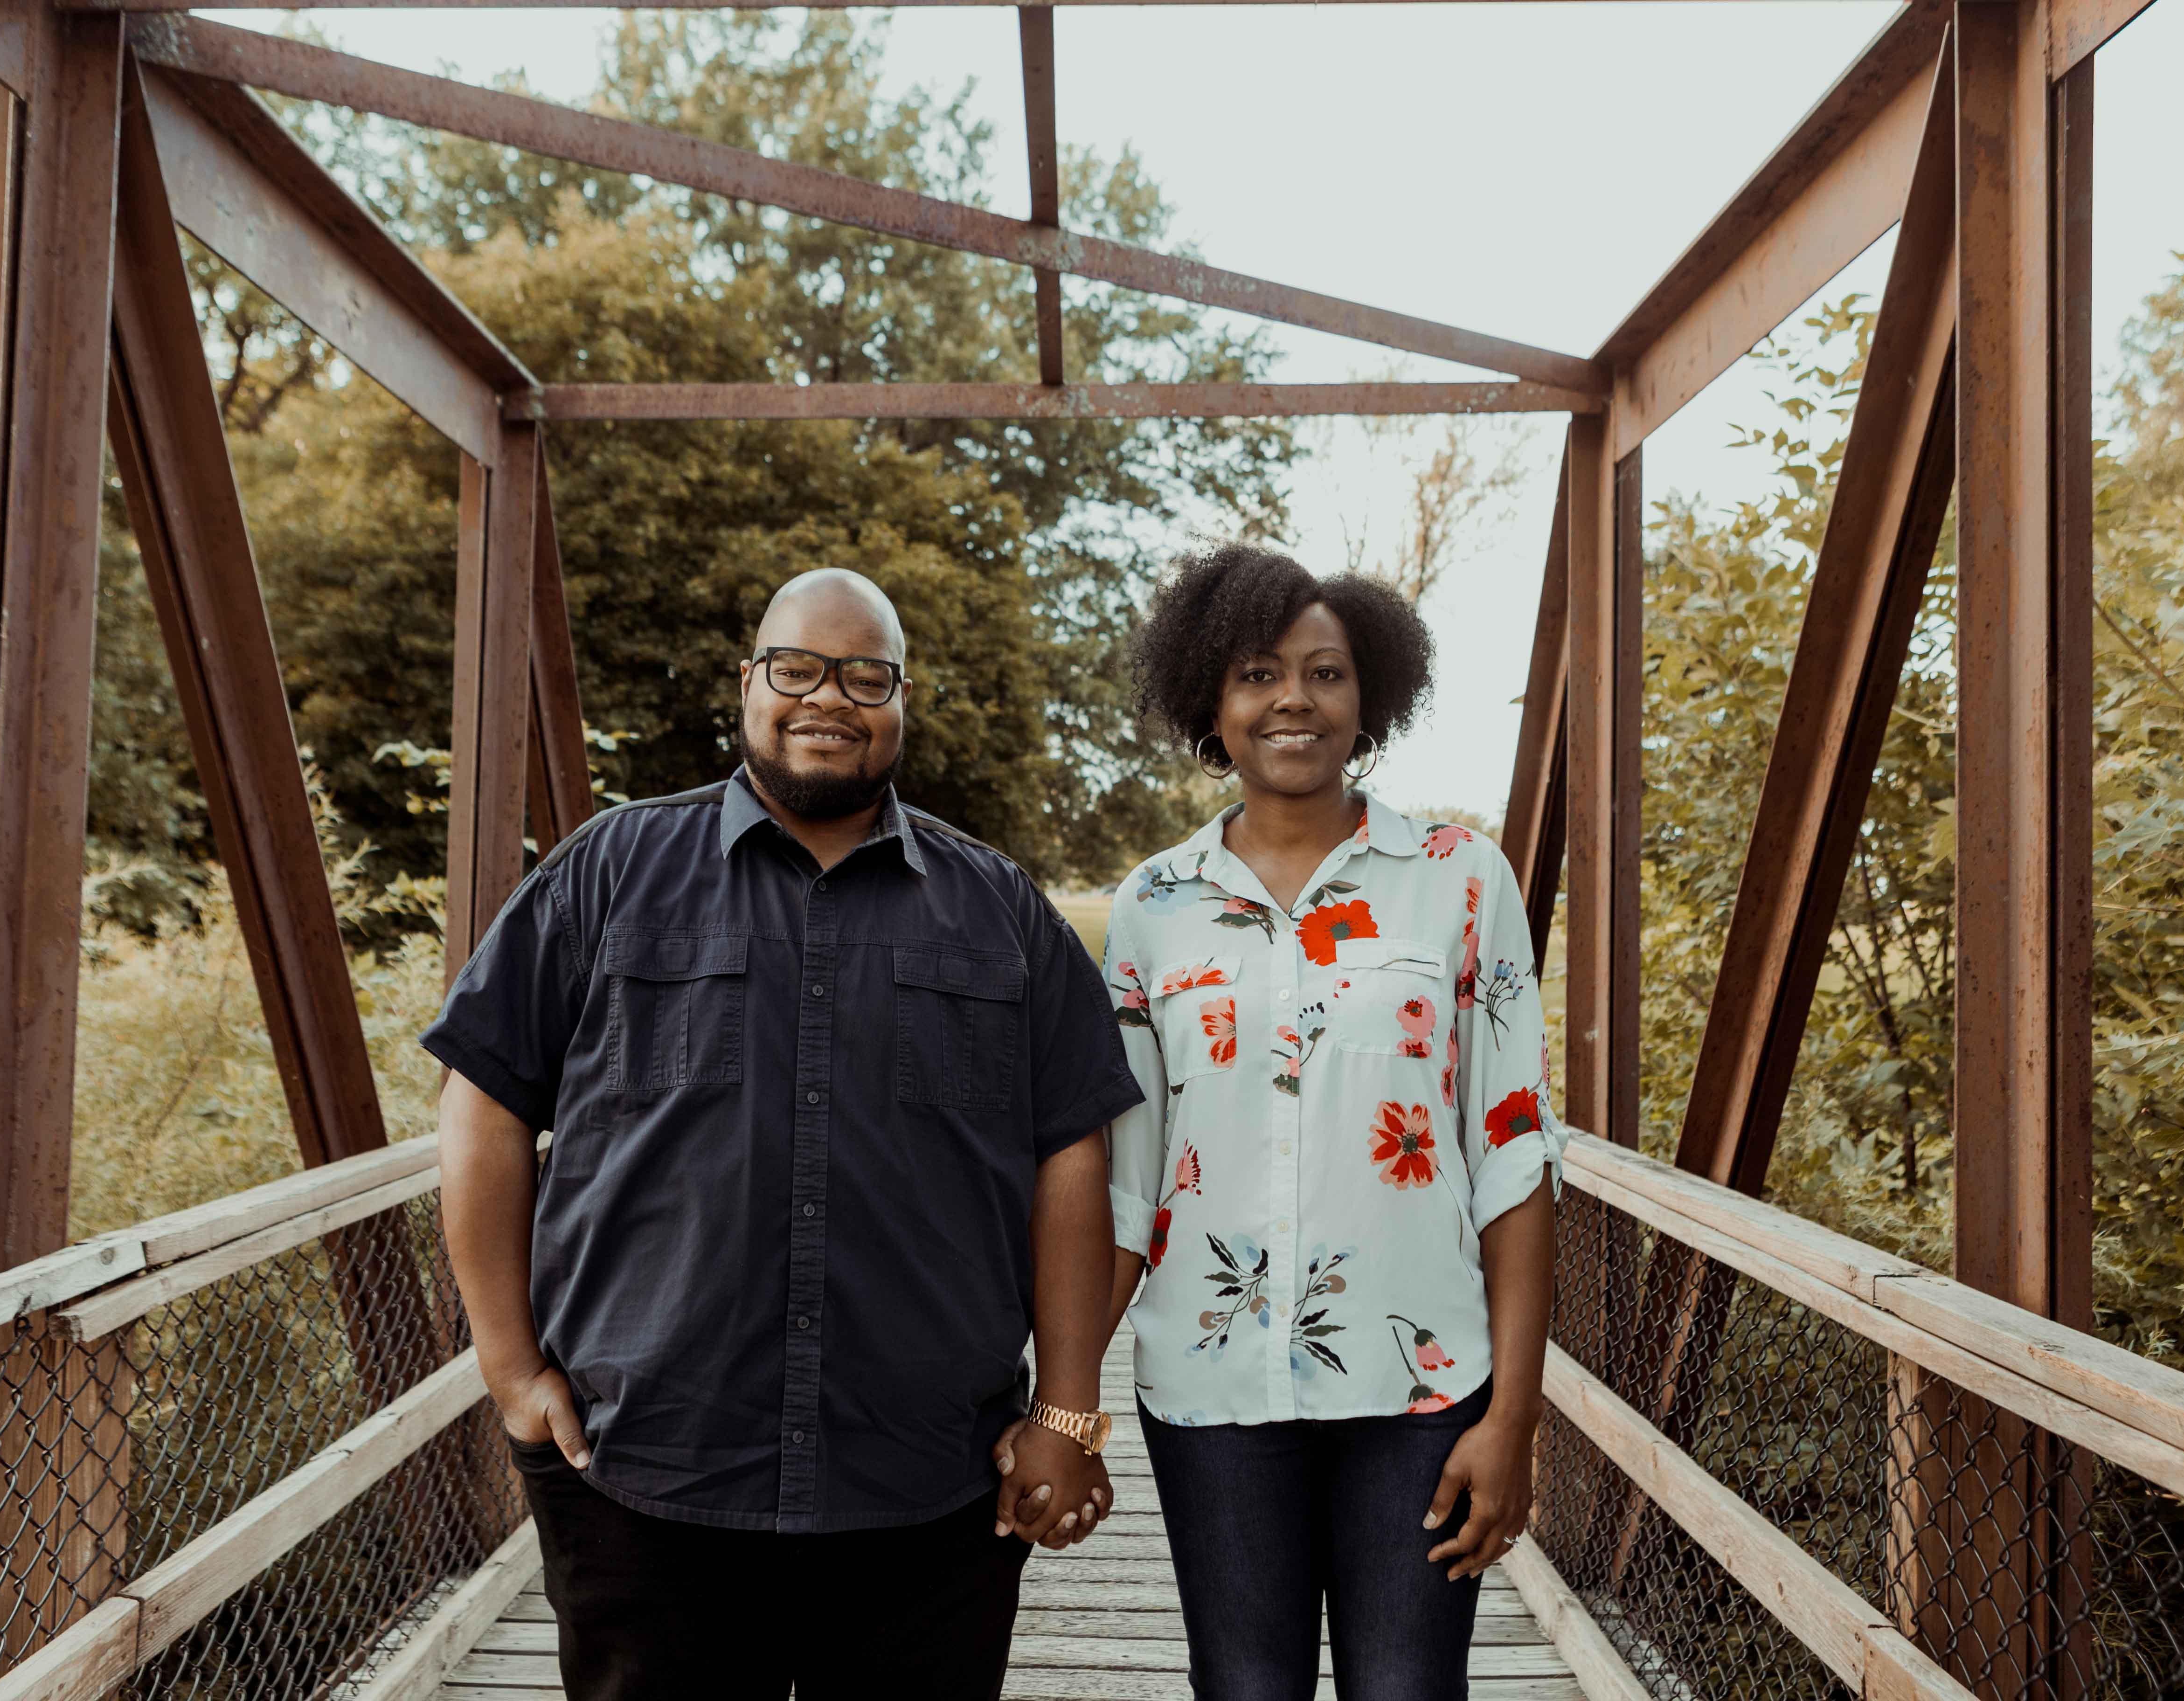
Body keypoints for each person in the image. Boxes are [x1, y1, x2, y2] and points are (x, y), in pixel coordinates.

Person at [423, 567, 1143, 1701]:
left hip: (928, 1482)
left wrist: (1067, 1412)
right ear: (749, 682)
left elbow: (1072, 1158)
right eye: (798, 669)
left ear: (902, 700)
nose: (829, 699)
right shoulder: (608, 872)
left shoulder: (999, 909)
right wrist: (510, 1370)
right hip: (645, 1469)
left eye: (866, 676)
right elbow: (484, 1106)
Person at [1089, 539, 1565, 1700]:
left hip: (1421, 1389)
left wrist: (1514, 1418)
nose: (1292, 699)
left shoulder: (1459, 878)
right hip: (1209, 1385)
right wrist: (1061, 1402)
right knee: (1245, 1690)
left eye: (1326, 673)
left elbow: (1512, 1154)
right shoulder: (1154, 906)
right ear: (1212, 702)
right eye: (1258, 674)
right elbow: (1129, 1185)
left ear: (1370, 697)